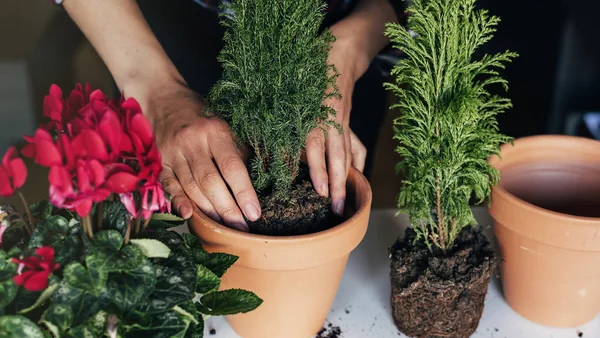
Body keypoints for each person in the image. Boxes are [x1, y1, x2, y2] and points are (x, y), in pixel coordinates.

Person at [56, 0, 404, 231]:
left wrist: (355, 41)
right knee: (183, 204)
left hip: (339, 37)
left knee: (327, 172)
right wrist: (153, 89)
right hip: (156, 35)